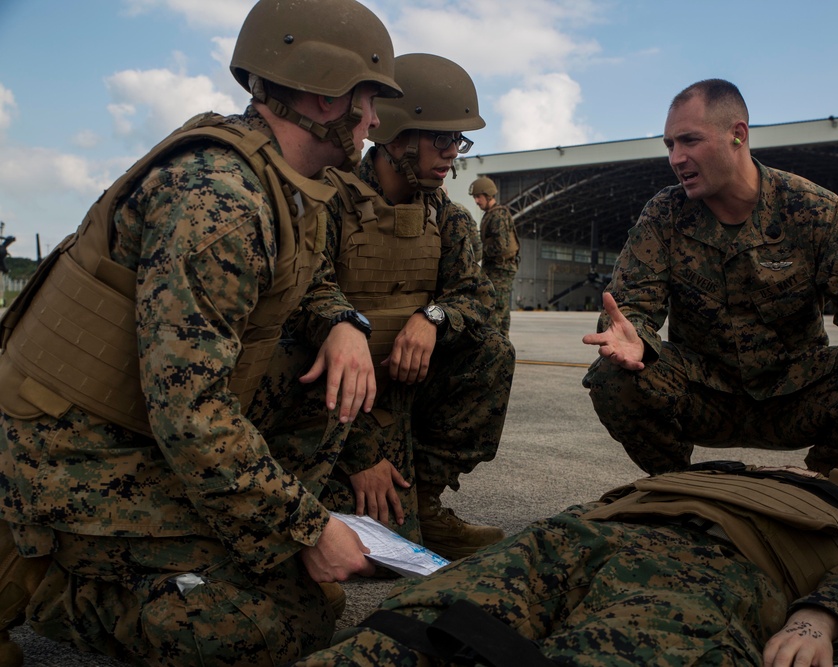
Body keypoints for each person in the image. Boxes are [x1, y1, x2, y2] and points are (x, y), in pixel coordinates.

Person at [0, 1, 403, 665]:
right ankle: (42, 575)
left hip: (135, 422)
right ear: (327, 97)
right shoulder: (219, 201)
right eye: (368, 99)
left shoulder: (287, 184)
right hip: (74, 451)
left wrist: (342, 322)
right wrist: (303, 527)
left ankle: (224, 548)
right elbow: (190, 415)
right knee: (268, 627)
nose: (375, 120)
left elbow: (309, 278)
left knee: (308, 597)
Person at [292, 459, 838, 666]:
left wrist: (822, 617)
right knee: (414, 629)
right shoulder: (768, 471)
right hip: (579, 534)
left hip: (708, 572)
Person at [582, 79, 838, 476]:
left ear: (737, 135)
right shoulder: (665, 215)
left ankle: (822, 491)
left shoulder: (814, 211)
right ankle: (678, 490)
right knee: (613, 378)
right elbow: (631, 306)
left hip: (796, 396)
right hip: (704, 395)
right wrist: (635, 340)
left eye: (689, 141)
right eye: (670, 145)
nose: (676, 158)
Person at [317, 53, 515, 560]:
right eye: (443, 138)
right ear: (399, 133)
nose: (453, 153)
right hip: (328, 402)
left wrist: (432, 318)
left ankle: (424, 502)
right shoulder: (327, 201)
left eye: (459, 141)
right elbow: (300, 312)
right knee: (372, 556)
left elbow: (476, 296)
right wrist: (363, 452)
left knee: (491, 350)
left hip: (398, 390)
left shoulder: (447, 218)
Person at [470, 175, 520, 335]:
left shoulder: (497, 215)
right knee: (502, 311)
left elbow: (501, 245)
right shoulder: (492, 214)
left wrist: (480, 252)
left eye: (478, 196)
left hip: (499, 270)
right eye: (475, 197)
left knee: (495, 311)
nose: (476, 201)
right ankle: (502, 345)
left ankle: (497, 346)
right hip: (498, 269)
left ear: (488, 195)